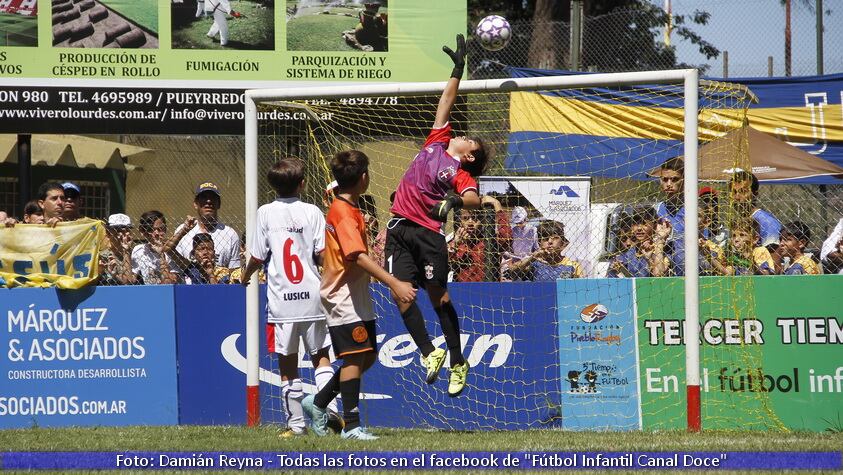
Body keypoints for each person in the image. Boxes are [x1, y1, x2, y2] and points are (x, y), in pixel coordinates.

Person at [383, 34, 489, 397]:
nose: (461, 134)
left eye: (469, 141)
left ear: (470, 156)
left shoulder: (459, 172)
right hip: (398, 227)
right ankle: (430, 353)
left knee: (438, 297)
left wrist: (454, 204)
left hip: (428, 235)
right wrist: (457, 70)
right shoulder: (435, 142)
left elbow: (474, 197)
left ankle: (458, 361)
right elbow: (446, 101)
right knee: (402, 295)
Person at [302, 150, 416, 441]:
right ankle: (351, 427)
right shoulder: (342, 212)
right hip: (341, 295)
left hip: (355, 293)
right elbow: (357, 256)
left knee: (367, 357)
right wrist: (395, 283)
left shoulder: (348, 207)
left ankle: (316, 403)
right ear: (363, 178)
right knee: (354, 357)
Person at [239, 157, 340, 436]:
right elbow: (322, 255)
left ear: (273, 186)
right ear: (302, 184)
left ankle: (295, 426)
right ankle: (330, 412)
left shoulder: (265, 213)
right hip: (313, 298)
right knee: (322, 357)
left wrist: (245, 275)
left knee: (287, 365)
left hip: (282, 302)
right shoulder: (313, 212)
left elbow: (258, 256)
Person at [175, 182, 241, 270]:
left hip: (220, 283)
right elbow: (175, 269)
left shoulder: (230, 234)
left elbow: (234, 270)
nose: (208, 201)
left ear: (219, 204)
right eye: (204, 197)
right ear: (195, 204)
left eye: (213, 198)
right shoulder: (182, 231)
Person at [449, 196, 512, 282]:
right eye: (465, 218)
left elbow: (507, 238)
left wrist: (497, 205)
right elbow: (443, 263)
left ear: (482, 220)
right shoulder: (455, 244)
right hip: (462, 290)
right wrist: (454, 244)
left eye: (475, 218)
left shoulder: (489, 241)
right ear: (460, 221)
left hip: (487, 289)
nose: (470, 222)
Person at [607, 207, 671, 278]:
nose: (639, 228)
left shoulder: (663, 249)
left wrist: (650, 258)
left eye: (644, 224)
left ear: (655, 226)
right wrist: (620, 270)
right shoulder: (630, 253)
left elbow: (659, 275)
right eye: (636, 224)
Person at [508, 220, 582, 281]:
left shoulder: (572, 266)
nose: (550, 241)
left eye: (555, 238)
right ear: (539, 243)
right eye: (545, 239)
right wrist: (531, 258)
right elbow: (511, 272)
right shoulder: (533, 263)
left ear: (562, 243)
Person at [132, 211, 190, 285]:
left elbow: (169, 282)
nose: (156, 233)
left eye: (160, 229)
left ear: (165, 229)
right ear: (143, 231)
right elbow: (132, 279)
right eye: (150, 229)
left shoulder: (172, 251)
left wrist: (161, 255)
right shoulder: (139, 250)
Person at [728, 171, 781, 250]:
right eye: (734, 192)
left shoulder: (767, 223)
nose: (737, 197)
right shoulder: (736, 221)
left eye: (743, 192)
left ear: (755, 194)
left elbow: (773, 258)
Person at [707, 218, 774, 276]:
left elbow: (767, 274)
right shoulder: (732, 255)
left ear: (755, 239)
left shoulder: (759, 251)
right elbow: (727, 272)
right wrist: (709, 257)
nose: (736, 240)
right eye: (733, 236)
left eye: (742, 235)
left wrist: (752, 263)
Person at [99, 214, 138, 286]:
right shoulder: (102, 256)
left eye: (126, 230)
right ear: (108, 233)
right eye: (118, 230)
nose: (122, 234)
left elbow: (129, 281)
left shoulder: (135, 254)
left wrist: (126, 250)